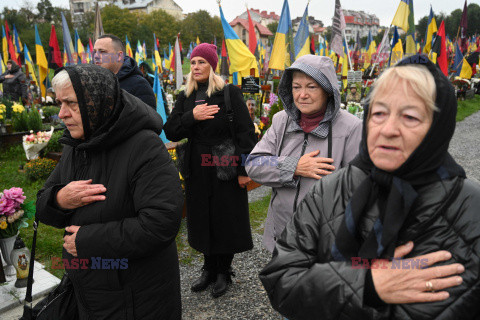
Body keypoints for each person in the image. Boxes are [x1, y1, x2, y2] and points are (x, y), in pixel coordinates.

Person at [259, 55, 480, 319]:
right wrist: (367, 285)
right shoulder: (330, 190)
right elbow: (281, 278)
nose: (388, 129)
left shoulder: (470, 209)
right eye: (379, 113)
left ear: (438, 129)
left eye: (409, 117)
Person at [36, 64, 184, 319]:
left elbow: (161, 223)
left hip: (136, 296)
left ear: (97, 102)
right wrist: (60, 199)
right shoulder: (76, 144)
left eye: (71, 103)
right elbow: (41, 205)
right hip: (90, 289)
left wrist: (85, 241)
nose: (62, 113)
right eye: (59, 103)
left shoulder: (144, 146)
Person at [163, 43, 257, 298]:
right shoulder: (185, 96)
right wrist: (191, 116)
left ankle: (223, 271)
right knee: (201, 216)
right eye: (193, 63)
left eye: (201, 62)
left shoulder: (229, 92)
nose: (196, 67)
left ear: (212, 65)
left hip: (225, 161)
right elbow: (171, 130)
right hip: (196, 164)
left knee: (224, 216)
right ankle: (208, 268)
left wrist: (243, 168)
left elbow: (246, 133)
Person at [246, 55, 362, 252]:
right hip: (281, 236)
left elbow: (360, 188)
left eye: (311, 87)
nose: (302, 94)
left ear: (327, 90)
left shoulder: (352, 128)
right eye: (296, 87)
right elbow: (254, 165)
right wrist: (294, 167)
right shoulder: (281, 121)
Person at [93, 34, 156, 109]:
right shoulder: (93, 81)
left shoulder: (139, 85)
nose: (96, 56)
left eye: (102, 51)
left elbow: (148, 119)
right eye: (95, 52)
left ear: (119, 56)